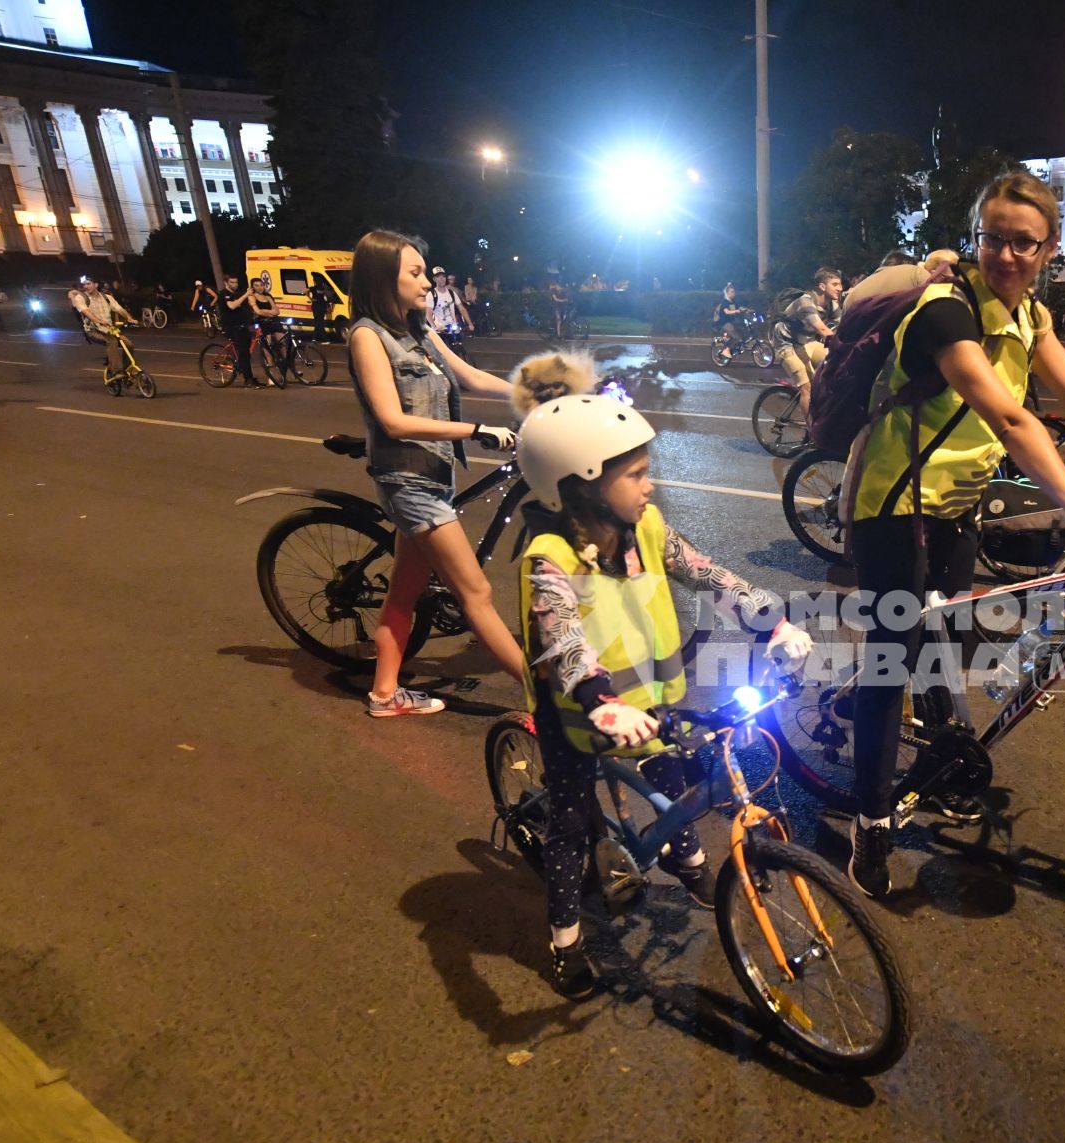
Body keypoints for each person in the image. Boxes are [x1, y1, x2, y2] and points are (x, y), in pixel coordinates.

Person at [843, 171, 1065, 898]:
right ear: (977, 239)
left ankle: (938, 757)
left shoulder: (1028, 314)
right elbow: (1011, 419)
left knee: (953, 635)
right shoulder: (947, 310)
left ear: (1049, 248)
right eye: (992, 239)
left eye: (1022, 243)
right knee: (893, 660)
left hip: (956, 505)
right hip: (894, 505)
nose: (1005, 255)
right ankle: (869, 825)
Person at [510, 369, 815, 997]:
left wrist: (772, 619)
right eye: (637, 475)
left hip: (654, 701)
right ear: (582, 487)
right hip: (582, 716)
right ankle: (565, 940)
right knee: (570, 824)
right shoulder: (550, 558)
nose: (651, 486)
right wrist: (599, 702)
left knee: (676, 773)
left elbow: (707, 574)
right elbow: (563, 639)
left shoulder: (646, 530)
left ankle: (690, 859)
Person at [348, 229, 527, 716]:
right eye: (415, 273)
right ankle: (547, 699)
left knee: (405, 591)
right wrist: (474, 429)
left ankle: (385, 695)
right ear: (384, 279)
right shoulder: (368, 336)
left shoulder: (418, 330)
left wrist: (532, 394)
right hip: (408, 483)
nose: (427, 282)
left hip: (433, 478)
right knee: (477, 593)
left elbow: (468, 376)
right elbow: (392, 420)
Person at [771, 267, 841, 413]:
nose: (840, 288)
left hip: (806, 342)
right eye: (835, 284)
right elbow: (822, 330)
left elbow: (842, 328)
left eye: (840, 284)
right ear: (822, 286)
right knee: (806, 387)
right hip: (786, 344)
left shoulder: (832, 305)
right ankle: (812, 433)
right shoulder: (805, 302)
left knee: (835, 364)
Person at [67, 277, 136, 379]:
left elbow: (119, 309)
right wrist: (98, 321)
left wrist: (130, 318)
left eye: (88, 284)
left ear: (96, 284)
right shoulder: (81, 298)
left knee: (129, 344)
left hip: (108, 330)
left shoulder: (107, 298)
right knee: (112, 341)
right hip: (93, 330)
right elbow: (86, 312)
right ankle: (116, 371)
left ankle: (127, 369)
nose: (86, 286)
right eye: (84, 285)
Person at [219, 272, 261, 388]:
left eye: (236, 282)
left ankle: (249, 376)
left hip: (242, 326)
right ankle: (248, 380)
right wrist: (246, 295)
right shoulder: (224, 294)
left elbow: (243, 308)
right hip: (231, 328)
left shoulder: (236, 294)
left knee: (246, 353)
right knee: (244, 353)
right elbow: (232, 306)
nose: (235, 284)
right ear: (226, 283)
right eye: (232, 282)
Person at [250, 278, 290, 376]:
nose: (260, 287)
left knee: (283, 341)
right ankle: (271, 373)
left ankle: (287, 367)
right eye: (256, 285)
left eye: (261, 285)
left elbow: (277, 311)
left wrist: (265, 311)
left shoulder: (268, 296)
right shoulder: (252, 297)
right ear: (253, 287)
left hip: (274, 321)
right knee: (267, 346)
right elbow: (257, 312)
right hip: (262, 323)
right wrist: (269, 313)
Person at [428, 266, 471, 341]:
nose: (442, 278)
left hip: (453, 329)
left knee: (458, 348)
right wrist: (435, 328)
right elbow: (428, 314)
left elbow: (462, 308)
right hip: (440, 330)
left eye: (443, 276)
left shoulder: (452, 293)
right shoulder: (431, 295)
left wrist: (470, 323)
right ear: (434, 279)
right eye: (438, 277)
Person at [711, 282, 748, 359]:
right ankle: (726, 350)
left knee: (742, 330)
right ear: (727, 293)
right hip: (724, 323)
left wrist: (748, 310)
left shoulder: (733, 302)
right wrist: (736, 311)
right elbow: (726, 311)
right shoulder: (725, 302)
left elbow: (740, 308)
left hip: (732, 322)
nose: (734, 293)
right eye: (732, 292)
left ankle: (737, 349)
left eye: (734, 292)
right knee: (736, 337)